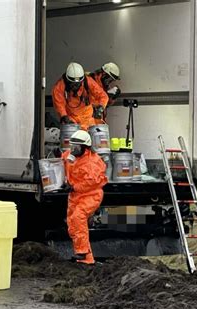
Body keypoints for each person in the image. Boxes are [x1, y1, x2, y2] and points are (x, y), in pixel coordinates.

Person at [62, 130, 108, 265]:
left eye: (76, 147)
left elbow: (92, 183)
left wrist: (74, 187)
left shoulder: (92, 163)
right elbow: (64, 159)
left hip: (90, 195)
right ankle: (87, 258)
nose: (72, 150)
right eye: (72, 146)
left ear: (85, 147)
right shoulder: (72, 156)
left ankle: (82, 251)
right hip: (75, 195)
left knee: (78, 217)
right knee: (72, 223)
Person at [52, 62, 108, 130]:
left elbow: (103, 96)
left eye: (78, 84)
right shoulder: (59, 87)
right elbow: (59, 104)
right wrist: (64, 116)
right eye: (73, 84)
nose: (75, 86)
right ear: (67, 80)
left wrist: (101, 107)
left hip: (88, 119)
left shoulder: (88, 81)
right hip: (72, 120)